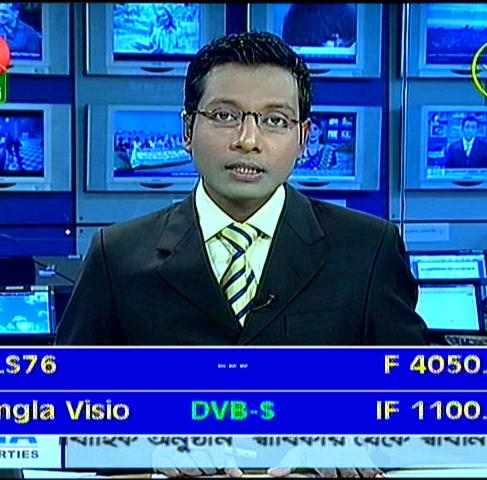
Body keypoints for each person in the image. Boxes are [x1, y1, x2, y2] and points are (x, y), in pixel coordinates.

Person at [56, 31, 425, 477]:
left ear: (303, 138)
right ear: (187, 130)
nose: (248, 140)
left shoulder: (367, 248)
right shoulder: (117, 256)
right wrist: (150, 452)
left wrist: (353, 440)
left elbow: (418, 408)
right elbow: (67, 416)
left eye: (275, 121)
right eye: (225, 115)